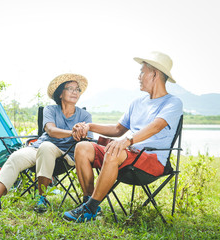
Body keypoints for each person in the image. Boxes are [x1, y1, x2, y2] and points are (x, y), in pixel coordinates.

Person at [63, 51, 183, 222]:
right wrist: (89, 126)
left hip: (151, 160)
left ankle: (89, 208)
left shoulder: (172, 102)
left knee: (114, 151)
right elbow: (117, 129)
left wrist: (127, 141)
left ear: (155, 74)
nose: (139, 76)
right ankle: (89, 204)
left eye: (142, 71)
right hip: (127, 155)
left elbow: (156, 126)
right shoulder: (136, 103)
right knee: (82, 147)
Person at [0, 73, 93, 213]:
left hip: (66, 154)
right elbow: (51, 130)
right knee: (15, 157)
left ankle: (42, 198)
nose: (75, 92)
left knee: (47, 147)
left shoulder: (85, 116)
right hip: (39, 147)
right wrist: (72, 132)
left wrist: (82, 134)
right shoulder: (50, 110)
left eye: (77, 89)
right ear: (60, 93)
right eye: (70, 88)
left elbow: (88, 139)